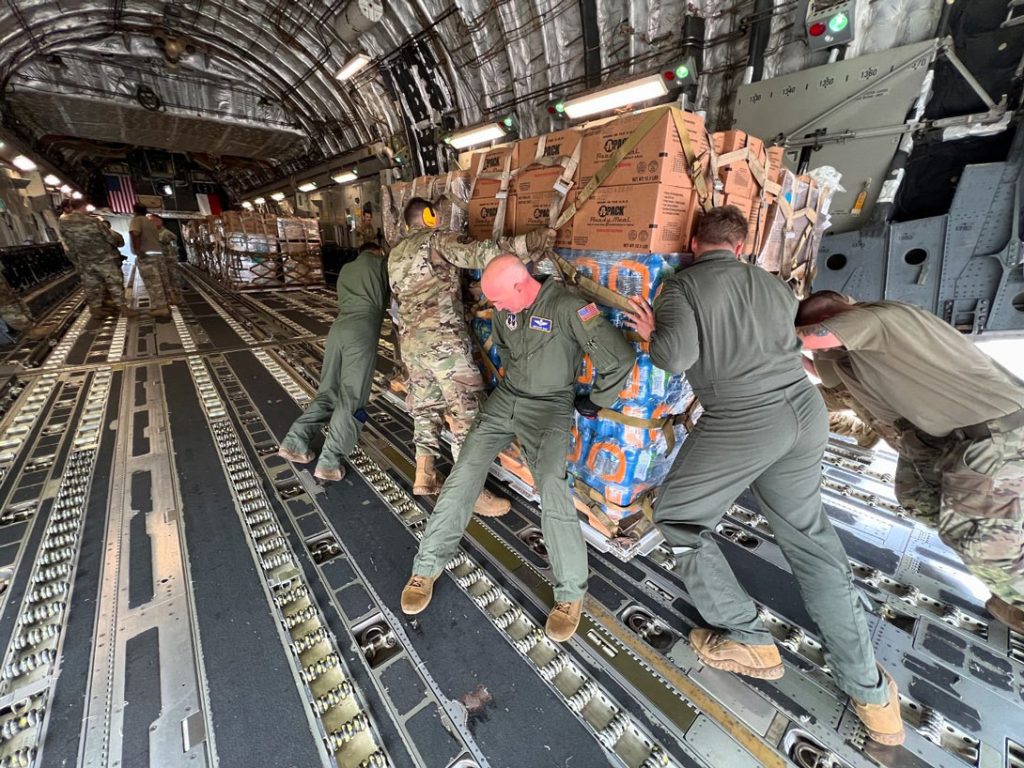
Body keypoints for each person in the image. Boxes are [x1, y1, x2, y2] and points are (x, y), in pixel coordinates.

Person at [625, 206, 905, 745]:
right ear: (743, 243)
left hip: (746, 418)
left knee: (677, 515)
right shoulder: (777, 287)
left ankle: (749, 637)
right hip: (805, 412)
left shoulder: (680, 289)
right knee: (810, 539)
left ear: (691, 240)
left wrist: (650, 331)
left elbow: (674, 358)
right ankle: (874, 700)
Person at [401, 254, 635, 641]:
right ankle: (425, 567)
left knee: (552, 486)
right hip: (507, 399)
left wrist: (596, 400)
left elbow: (620, 358)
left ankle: (570, 594)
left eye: (499, 299)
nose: (494, 308)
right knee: (463, 472)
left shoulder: (568, 308)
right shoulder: (504, 311)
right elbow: (508, 352)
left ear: (520, 285)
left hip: (549, 406)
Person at [796, 290, 1024, 633]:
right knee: (918, 498)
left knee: (978, 542)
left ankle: (1014, 592)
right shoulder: (854, 355)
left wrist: (757, 325)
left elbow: (819, 337)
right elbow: (828, 379)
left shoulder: (882, 318)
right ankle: (1007, 554)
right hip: (943, 442)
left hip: (993, 437)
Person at [388, 197, 552, 517]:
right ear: (430, 216)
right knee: (467, 415)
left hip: (411, 343)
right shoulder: (436, 239)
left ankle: (424, 473)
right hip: (443, 344)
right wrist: (527, 242)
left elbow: (415, 292)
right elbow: (479, 252)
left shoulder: (395, 253)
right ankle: (471, 491)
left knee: (425, 407)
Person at [278, 243, 389, 481]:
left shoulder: (347, 269)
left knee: (328, 392)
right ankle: (329, 461)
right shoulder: (382, 264)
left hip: (337, 330)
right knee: (352, 397)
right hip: (362, 332)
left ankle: (294, 442)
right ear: (378, 251)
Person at [59, 198, 129, 319]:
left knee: (92, 284)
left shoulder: (64, 222)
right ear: (84, 207)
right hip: (103, 258)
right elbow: (110, 238)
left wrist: (76, 259)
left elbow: (68, 244)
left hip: (84, 259)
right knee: (114, 281)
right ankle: (123, 308)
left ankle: (96, 310)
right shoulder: (93, 221)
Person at [128, 204, 170, 315]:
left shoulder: (137, 220)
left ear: (134, 211)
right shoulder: (150, 222)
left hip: (147, 255)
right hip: (157, 254)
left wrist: (137, 250)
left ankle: (160, 307)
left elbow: (135, 233)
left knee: (152, 282)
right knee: (161, 280)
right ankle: (165, 303)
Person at [150, 214, 184, 305]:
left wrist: (173, 258)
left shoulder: (166, 233)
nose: (150, 223)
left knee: (173, 278)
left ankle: (177, 298)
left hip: (169, 260)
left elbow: (173, 247)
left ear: (159, 221)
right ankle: (170, 298)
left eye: (152, 221)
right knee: (165, 279)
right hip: (161, 260)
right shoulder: (154, 233)